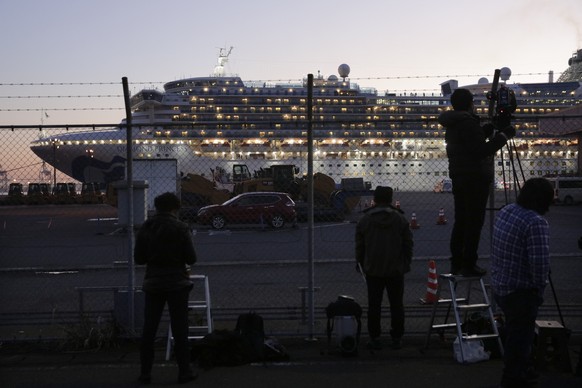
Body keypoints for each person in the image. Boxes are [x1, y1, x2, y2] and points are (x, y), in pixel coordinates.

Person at [438, 88, 516, 276]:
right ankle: (468, 264)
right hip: (475, 178)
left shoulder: (454, 122)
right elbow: (480, 150)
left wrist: (487, 129)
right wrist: (504, 136)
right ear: (470, 103)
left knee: (461, 221)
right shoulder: (467, 122)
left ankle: (457, 263)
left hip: (459, 176)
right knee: (474, 222)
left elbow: (469, 142)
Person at [490, 178, 555, 388]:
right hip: (520, 291)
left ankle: (520, 370)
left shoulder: (507, 210)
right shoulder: (536, 222)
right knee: (520, 338)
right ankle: (513, 378)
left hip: (501, 285)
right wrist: (539, 289)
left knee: (514, 333)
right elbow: (539, 264)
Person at [134, 192, 198, 384]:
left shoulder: (147, 227)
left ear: (157, 207)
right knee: (180, 330)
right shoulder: (181, 227)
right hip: (177, 284)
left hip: (153, 283)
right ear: (175, 208)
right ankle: (184, 371)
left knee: (149, 329)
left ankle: (145, 373)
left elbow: (139, 259)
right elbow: (191, 258)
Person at [355, 186, 413, 350]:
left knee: (374, 306)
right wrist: (405, 263)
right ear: (390, 198)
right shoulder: (400, 219)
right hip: (395, 269)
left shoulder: (365, 220)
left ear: (374, 198)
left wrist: (360, 263)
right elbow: (408, 244)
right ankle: (397, 337)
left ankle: (374, 337)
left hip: (373, 270)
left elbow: (359, 246)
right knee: (397, 305)